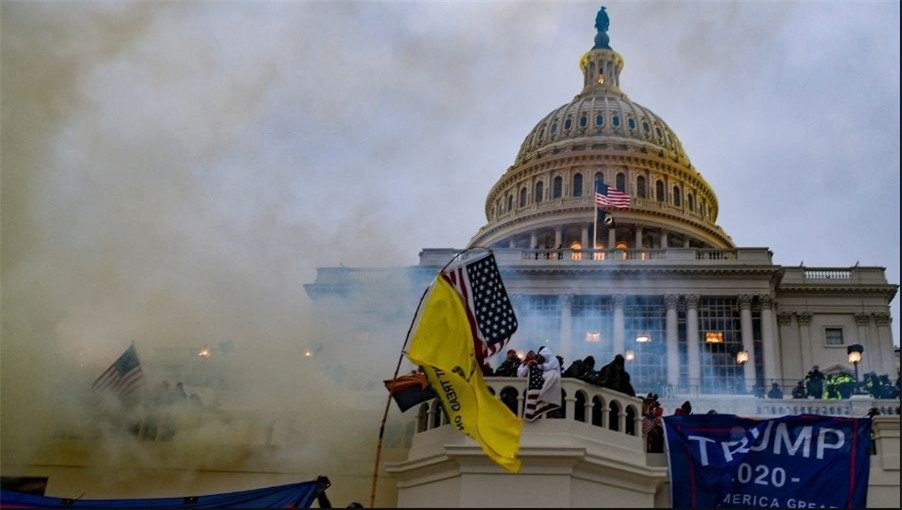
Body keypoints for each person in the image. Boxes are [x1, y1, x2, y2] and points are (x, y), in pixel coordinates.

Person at [518, 346, 562, 420]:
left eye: (533, 354)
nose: (532, 355)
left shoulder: (544, 362)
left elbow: (546, 369)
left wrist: (537, 365)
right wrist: (527, 366)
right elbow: (520, 375)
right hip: (525, 390)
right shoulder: (524, 364)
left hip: (536, 388)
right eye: (530, 354)